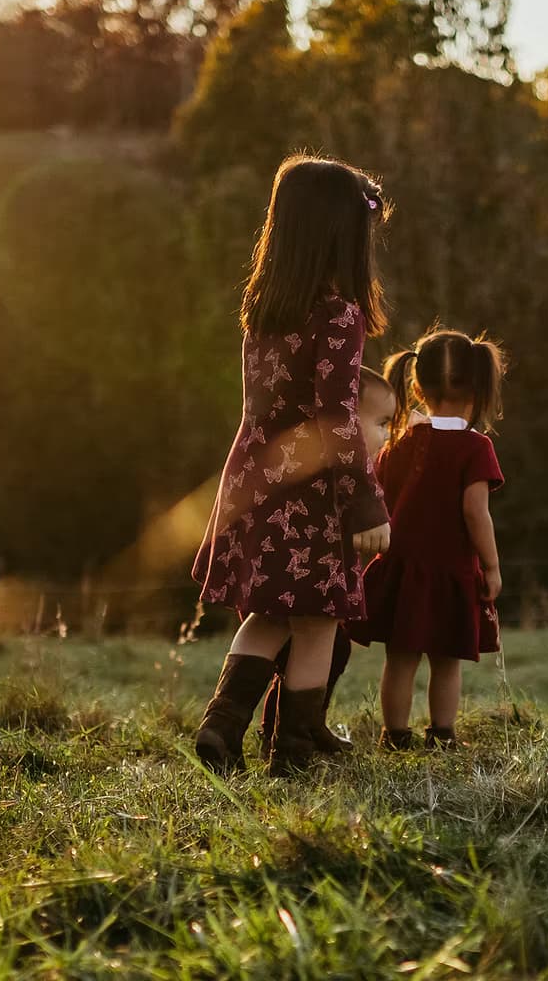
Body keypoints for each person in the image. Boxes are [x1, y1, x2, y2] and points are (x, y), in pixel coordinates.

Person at [190, 155, 394, 776]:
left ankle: (222, 728)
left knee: (268, 610)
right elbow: (337, 418)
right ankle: (295, 748)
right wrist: (365, 502)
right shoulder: (339, 315)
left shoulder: (262, 309)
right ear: (343, 237)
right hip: (312, 490)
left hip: (255, 475)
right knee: (316, 619)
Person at [361, 329, 506, 749]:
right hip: (451, 571)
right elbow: (475, 511)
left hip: (403, 567)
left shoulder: (399, 443)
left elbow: (381, 497)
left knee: (400, 659)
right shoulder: (475, 447)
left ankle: (395, 735)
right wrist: (492, 566)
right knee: (446, 661)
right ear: (478, 386)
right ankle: (442, 735)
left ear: (418, 387)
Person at [255, 366, 399, 758]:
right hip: (306, 586)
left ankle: (305, 727)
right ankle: (284, 740)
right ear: (348, 423)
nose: (387, 434)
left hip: (299, 582)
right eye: (382, 423)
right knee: (308, 645)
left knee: (333, 647)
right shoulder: (342, 472)